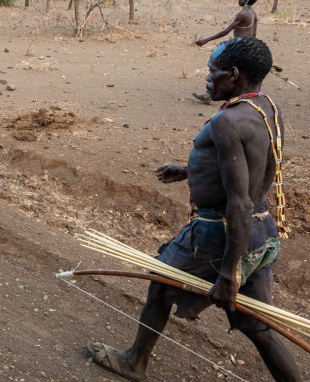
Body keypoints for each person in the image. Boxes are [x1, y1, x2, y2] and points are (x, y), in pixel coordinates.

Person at [87, 36, 301, 381]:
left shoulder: (226, 122)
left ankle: (134, 363)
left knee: (159, 283)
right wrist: (191, 170)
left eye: (211, 71)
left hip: (220, 233)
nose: (206, 79)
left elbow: (239, 201)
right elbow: (257, 168)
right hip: (262, 234)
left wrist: (229, 273)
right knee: (259, 327)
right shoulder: (264, 107)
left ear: (232, 74)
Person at [193, 0, 259, 104]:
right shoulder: (253, 13)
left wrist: (206, 40)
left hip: (239, 46)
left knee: (221, 69)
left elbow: (226, 31)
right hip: (247, 46)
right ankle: (211, 96)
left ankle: (210, 96)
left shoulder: (242, 14)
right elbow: (253, 34)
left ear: (244, 0)